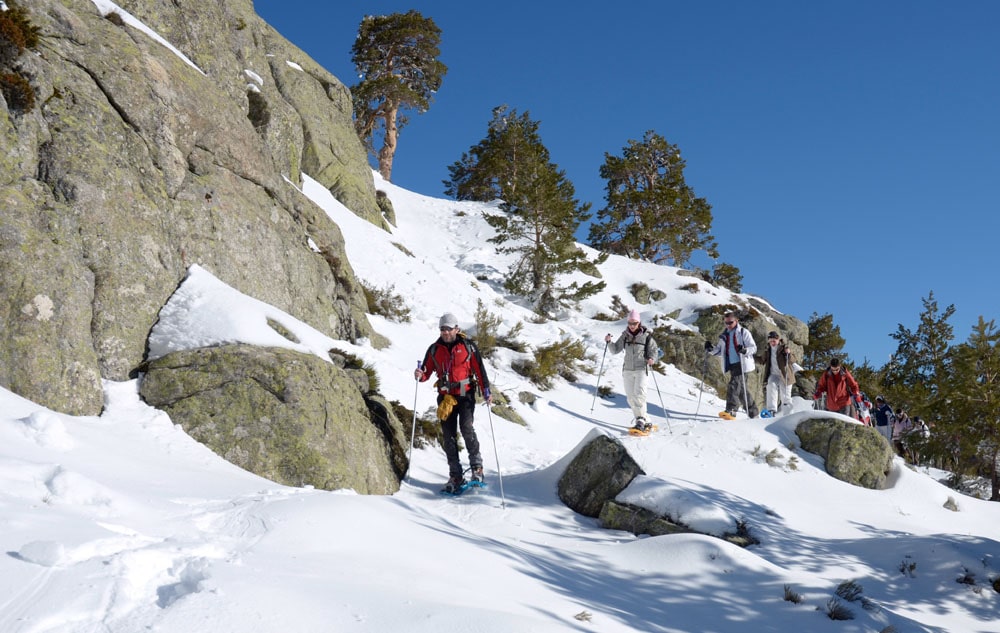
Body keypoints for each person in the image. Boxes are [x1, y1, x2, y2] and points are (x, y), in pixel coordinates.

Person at [415, 313, 493, 493]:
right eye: (442, 329)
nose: (445, 333)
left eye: (448, 329)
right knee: (448, 435)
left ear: (456, 329)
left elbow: (479, 370)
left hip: (465, 393)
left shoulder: (468, 347)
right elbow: (426, 372)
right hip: (445, 396)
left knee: (466, 427)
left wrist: (486, 391)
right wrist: (420, 374)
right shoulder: (435, 349)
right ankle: (455, 475)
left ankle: (477, 468)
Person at [605, 308, 659, 433]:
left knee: (639, 395)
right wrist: (609, 342)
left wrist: (651, 358)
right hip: (627, 370)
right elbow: (615, 350)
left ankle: (640, 420)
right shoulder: (625, 336)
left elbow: (654, 351)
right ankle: (647, 420)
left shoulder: (646, 337)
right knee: (630, 398)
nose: (632, 326)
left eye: (634, 323)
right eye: (630, 323)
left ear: (639, 323)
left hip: (641, 369)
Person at [705, 311, 758, 420]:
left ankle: (731, 411)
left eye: (730, 323)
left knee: (733, 386)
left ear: (736, 321)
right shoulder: (724, 336)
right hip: (732, 365)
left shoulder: (743, 332)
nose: (728, 325)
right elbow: (720, 351)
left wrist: (744, 350)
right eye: (726, 323)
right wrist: (710, 349)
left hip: (742, 364)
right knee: (741, 391)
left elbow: (753, 348)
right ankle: (754, 413)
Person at [758, 331, 794, 417]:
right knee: (771, 385)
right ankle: (771, 410)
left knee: (785, 395)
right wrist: (748, 355)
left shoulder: (784, 348)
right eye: (770, 341)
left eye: (774, 341)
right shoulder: (768, 350)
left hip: (785, 375)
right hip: (773, 374)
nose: (772, 343)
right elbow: (761, 360)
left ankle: (788, 414)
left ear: (778, 340)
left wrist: (788, 354)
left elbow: (793, 360)